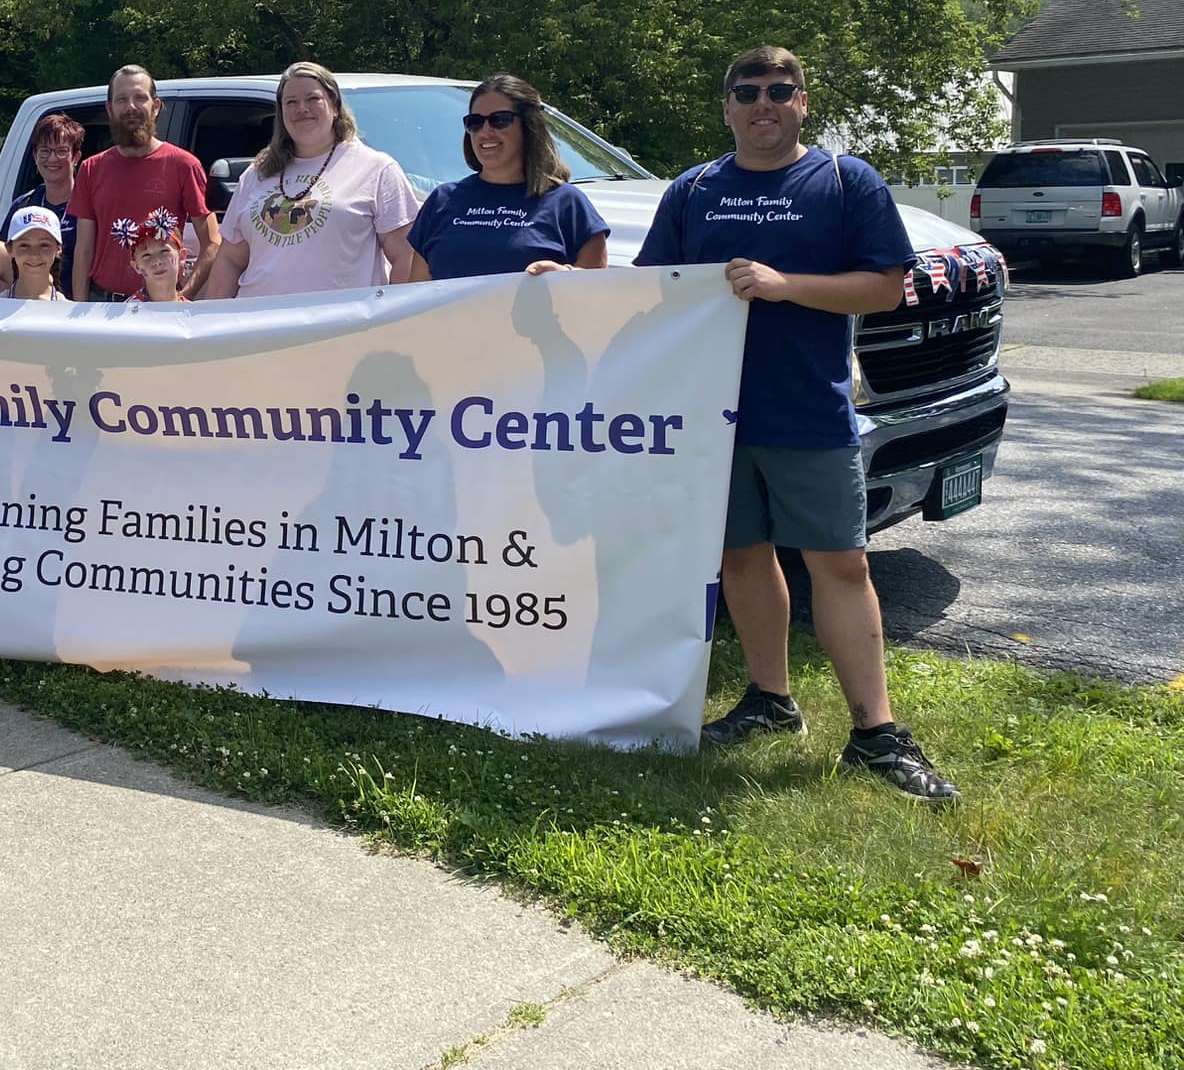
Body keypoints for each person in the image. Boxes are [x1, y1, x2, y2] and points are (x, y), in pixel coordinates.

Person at [635, 46, 956, 802]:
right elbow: (650, 289)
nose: (763, 104)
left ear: (803, 102)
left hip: (807, 407)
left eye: (780, 91)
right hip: (713, 416)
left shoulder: (845, 182)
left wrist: (785, 287)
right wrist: (568, 287)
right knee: (742, 558)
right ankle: (769, 701)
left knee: (840, 564)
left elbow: (883, 290)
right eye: (746, 92)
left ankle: (875, 734)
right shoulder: (694, 190)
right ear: (726, 107)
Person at [203, 61, 419, 299]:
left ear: (335, 106)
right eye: (291, 102)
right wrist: (212, 323)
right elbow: (230, 260)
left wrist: (390, 320)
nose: (301, 109)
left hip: (341, 327)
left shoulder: (375, 169)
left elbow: (405, 256)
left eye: (313, 99)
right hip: (259, 326)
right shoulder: (257, 173)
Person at [406, 74, 611, 281]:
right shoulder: (442, 200)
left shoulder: (568, 204)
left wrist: (565, 276)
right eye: (475, 123)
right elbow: (415, 296)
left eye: (500, 120)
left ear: (529, 126)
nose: (485, 132)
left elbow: (597, 291)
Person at [69, 65, 221, 301]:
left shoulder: (184, 165)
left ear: (156, 106)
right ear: (109, 109)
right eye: (121, 99)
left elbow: (212, 243)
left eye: (140, 97)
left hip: (161, 311)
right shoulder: (91, 169)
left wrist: (180, 298)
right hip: (102, 306)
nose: (131, 107)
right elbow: (84, 250)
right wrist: (79, 309)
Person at [0, 112, 83, 295]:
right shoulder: (23, 205)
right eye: (45, 151)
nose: (52, 159)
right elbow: (3, 260)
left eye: (61, 151)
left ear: (75, 157)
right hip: (28, 306)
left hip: (75, 308)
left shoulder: (90, 205)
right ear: (35, 156)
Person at [4, 206, 70, 300]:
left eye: (44, 245)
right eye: (24, 245)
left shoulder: (65, 309)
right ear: (9, 249)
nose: (34, 255)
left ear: (58, 249)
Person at [127, 219, 186, 303]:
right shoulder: (129, 313)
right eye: (146, 255)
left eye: (164, 251)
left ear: (182, 256)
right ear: (136, 266)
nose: (157, 262)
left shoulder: (190, 312)